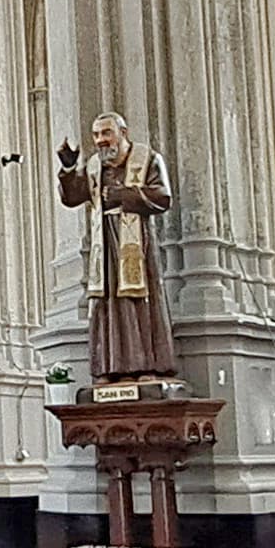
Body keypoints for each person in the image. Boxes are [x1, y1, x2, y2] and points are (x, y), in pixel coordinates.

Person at [56, 113, 179, 383]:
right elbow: (73, 197)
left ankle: (147, 366)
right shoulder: (93, 167)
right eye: (97, 135)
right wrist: (67, 170)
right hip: (105, 247)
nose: (101, 141)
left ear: (123, 132)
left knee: (136, 303)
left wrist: (125, 195)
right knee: (106, 304)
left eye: (106, 133)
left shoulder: (148, 159)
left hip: (137, 245)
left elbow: (163, 197)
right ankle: (109, 369)